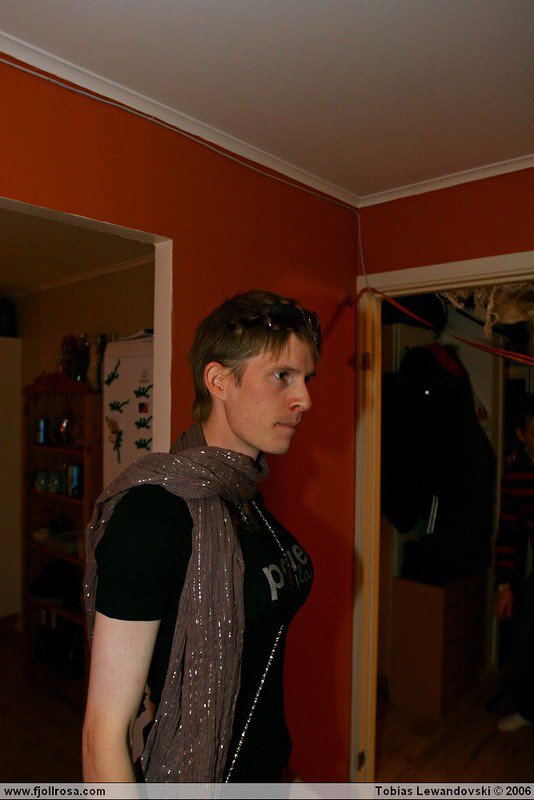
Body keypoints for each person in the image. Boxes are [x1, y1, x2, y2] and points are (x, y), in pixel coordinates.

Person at [82, 289, 321, 782]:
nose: (304, 399)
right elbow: (102, 735)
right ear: (218, 380)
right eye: (282, 376)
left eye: (306, 379)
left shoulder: (241, 494)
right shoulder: (152, 517)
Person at [494, 394, 534, 732]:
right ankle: (527, 708)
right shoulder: (516, 475)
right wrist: (504, 585)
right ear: (522, 435)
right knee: (523, 638)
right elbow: (509, 532)